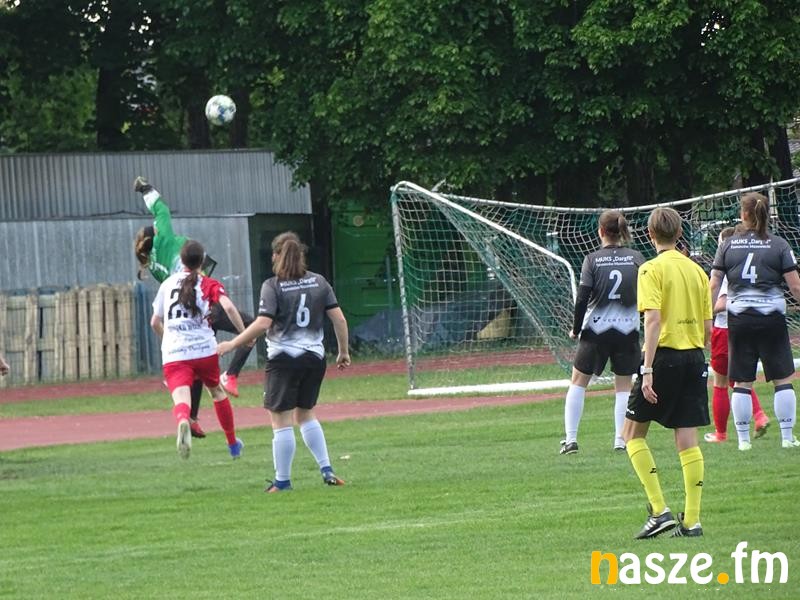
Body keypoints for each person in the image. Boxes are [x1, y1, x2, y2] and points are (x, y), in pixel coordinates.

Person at [218, 231, 350, 492]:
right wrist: (343, 351)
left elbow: (263, 323)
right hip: (314, 359)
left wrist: (232, 344)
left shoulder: (273, 285)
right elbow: (339, 319)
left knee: (280, 421)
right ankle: (326, 469)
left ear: (277, 256)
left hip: (283, 360)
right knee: (306, 414)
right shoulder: (319, 281)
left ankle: (282, 481)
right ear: (301, 255)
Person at [134, 176, 256, 439]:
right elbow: (161, 209)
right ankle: (231, 375)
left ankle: (190, 418)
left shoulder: (153, 264)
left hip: (182, 317)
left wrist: (169, 341)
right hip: (201, 303)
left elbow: (156, 319)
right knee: (250, 327)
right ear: (156, 234)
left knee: (197, 367)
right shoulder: (165, 239)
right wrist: (147, 189)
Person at [623, 207, 712, 539]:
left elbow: (653, 320)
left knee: (631, 434)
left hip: (664, 358)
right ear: (679, 234)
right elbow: (708, 328)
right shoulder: (697, 271)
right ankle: (692, 521)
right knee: (686, 438)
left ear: (650, 234)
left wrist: (647, 368)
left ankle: (659, 510)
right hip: (694, 357)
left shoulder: (650, 269)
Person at [710, 192, 800, 450]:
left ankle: (743, 441)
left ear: (744, 214)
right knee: (782, 378)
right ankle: (787, 438)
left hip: (739, 319)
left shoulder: (727, 245)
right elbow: (795, 286)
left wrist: (707, 315)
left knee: (742, 381)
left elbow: (714, 283)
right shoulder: (779, 245)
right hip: (772, 319)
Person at [150, 239, 245, 460]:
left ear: (181, 261)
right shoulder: (207, 283)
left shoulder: (167, 284)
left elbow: (154, 322)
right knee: (217, 392)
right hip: (204, 351)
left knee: (181, 397)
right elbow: (229, 307)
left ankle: (184, 420)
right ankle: (233, 445)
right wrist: (243, 334)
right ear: (202, 261)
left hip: (175, 352)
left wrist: (168, 340)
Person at [561, 210, 644, 455]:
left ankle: (571, 440)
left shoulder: (592, 260)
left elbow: (582, 298)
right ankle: (620, 440)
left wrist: (576, 329)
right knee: (623, 386)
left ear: (600, 232)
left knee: (578, 382)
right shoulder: (636, 258)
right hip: (627, 331)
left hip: (596, 331)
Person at [705, 226, 770, 444]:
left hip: (726, 329)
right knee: (740, 380)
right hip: (748, 327)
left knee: (721, 381)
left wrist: (705, 309)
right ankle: (759, 415)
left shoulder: (725, 269)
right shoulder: (749, 265)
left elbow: (723, 302)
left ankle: (721, 434)